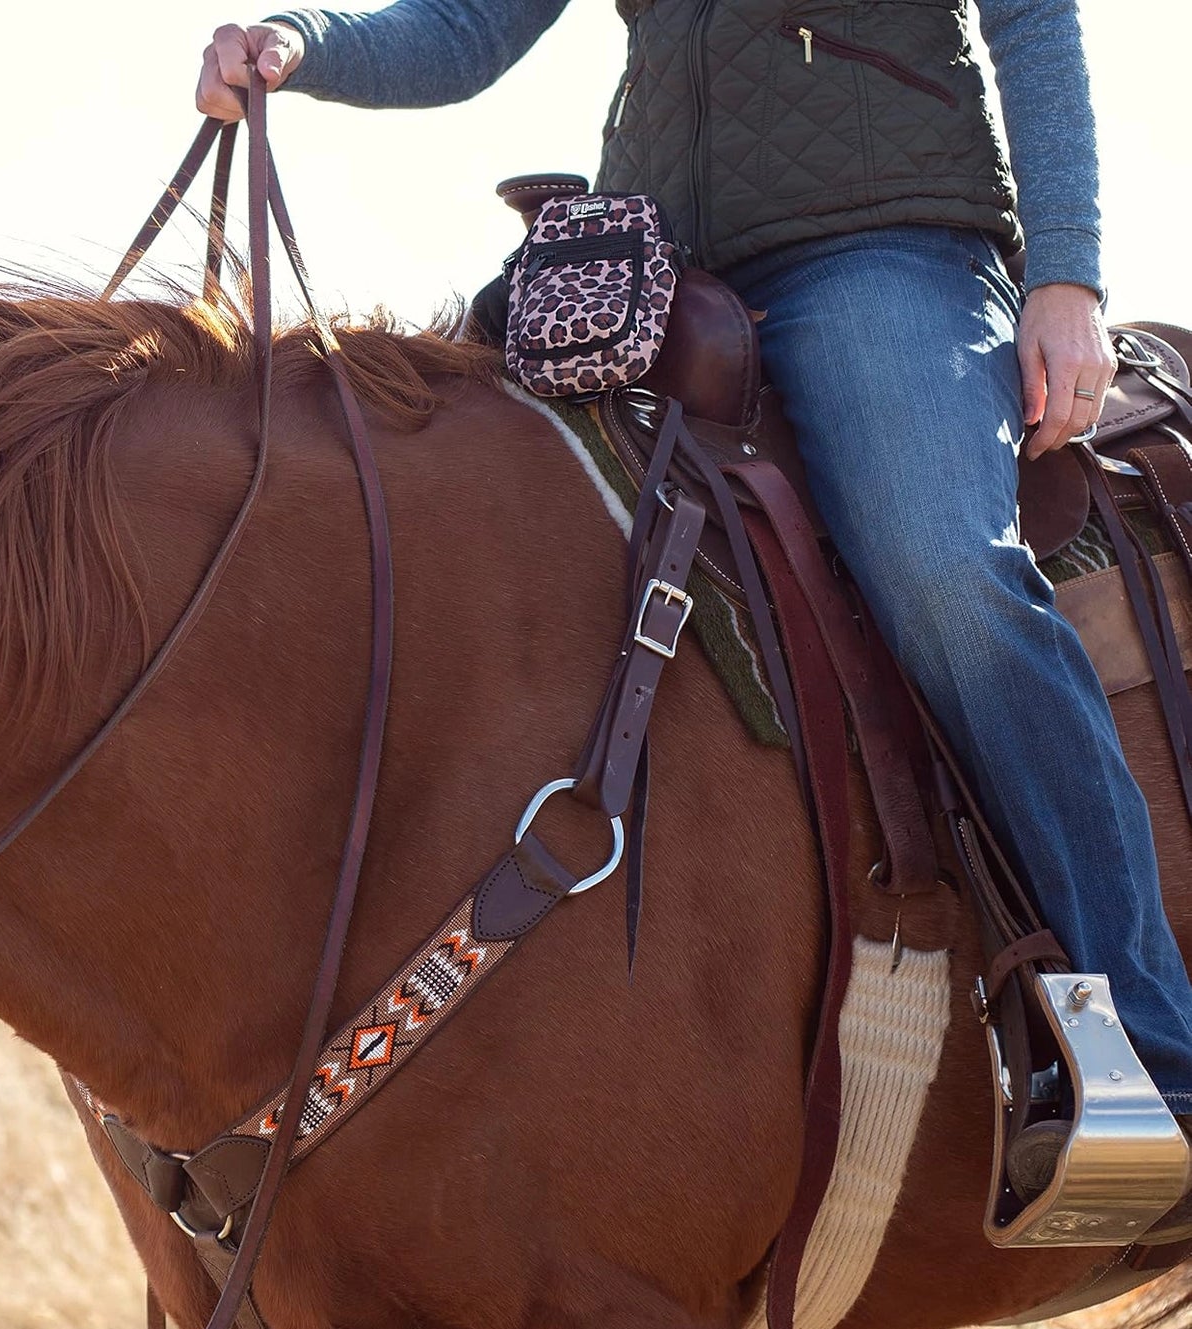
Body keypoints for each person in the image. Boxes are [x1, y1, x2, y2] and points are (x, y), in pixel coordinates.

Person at [194, 2, 1192, 1188]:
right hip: (646, 268)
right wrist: (300, 46)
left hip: (883, 249)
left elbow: (1033, 23)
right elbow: (468, 27)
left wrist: (1065, 274)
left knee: (942, 575)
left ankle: (1148, 1052)